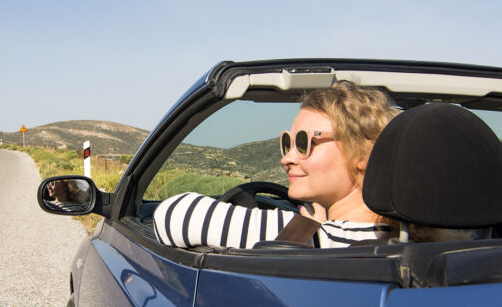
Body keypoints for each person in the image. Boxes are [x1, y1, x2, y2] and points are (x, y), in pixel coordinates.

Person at [153, 81, 400, 249]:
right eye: (287, 142)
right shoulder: (408, 242)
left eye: (304, 142)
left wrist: (315, 225)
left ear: (365, 154)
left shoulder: (320, 239)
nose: (287, 158)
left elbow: (174, 216)